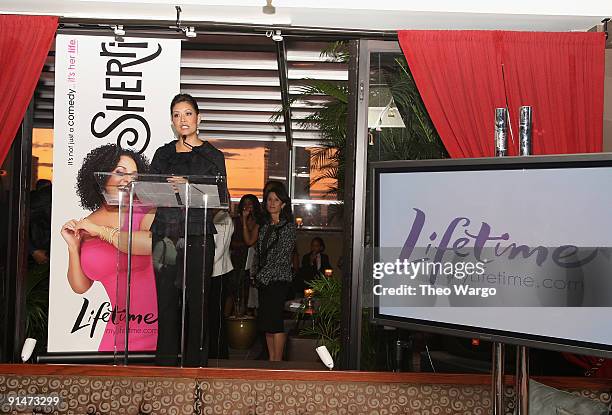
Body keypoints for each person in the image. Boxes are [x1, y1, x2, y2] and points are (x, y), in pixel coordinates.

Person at [149, 93, 227, 367]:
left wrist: (188, 187)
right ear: (172, 121)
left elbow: (221, 199)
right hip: (164, 237)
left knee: (197, 305)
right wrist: (161, 189)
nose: (182, 119)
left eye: (188, 113)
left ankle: (196, 367)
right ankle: (165, 366)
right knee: (167, 303)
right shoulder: (163, 153)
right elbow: (150, 192)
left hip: (197, 237)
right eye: (177, 115)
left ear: (199, 118)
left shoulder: (213, 156)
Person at [60, 144, 157, 352]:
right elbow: (81, 286)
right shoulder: (87, 223)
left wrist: (102, 231)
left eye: (133, 175)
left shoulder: (147, 211)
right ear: (101, 176)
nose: (127, 180)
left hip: (154, 327)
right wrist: (73, 247)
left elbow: (151, 244)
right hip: (115, 334)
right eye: (119, 172)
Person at [253, 182, 296, 361]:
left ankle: (277, 362)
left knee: (276, 323)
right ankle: (271, 360)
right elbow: (259, 253)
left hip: (278, 280)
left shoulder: (288, 227)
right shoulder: (265, 226)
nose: (271, 203)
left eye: (276, 200)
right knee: (267, 324)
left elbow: (281, 257)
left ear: (283, 204)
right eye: (269, 199)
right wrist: (256, 274)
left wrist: (262, 276)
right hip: (264, 281)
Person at [229, 194, 262, 315]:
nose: (247, 206)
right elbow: (230, 242)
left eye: (250, 204)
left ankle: (248, 317)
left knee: (248, 290)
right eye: (245, 203)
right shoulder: (235, 220)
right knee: (234, 289)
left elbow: (251, 241)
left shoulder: (259, 222)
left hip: (251, 260)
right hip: (236, 258)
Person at [208, 207, 234, 359]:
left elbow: (218, 250)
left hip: (219, 273)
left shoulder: (224, 218)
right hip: (209, 272)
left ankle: (218, 353)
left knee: (216, 315)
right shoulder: (211, 217)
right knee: (210, 315)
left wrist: (201, 266)